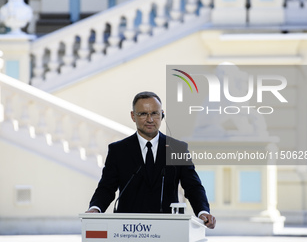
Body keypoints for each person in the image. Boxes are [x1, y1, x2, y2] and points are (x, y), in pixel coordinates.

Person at [86, 91, 216, 229]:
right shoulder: (118, 150)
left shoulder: (177, 148)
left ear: (162, 114)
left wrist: (202, 212)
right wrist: (95, 208)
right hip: (127, 229)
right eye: (143, 114)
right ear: (133, 116)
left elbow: (193, 186)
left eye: (155, 113)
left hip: (168, 229)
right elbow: (106, 187)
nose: (150, 119)